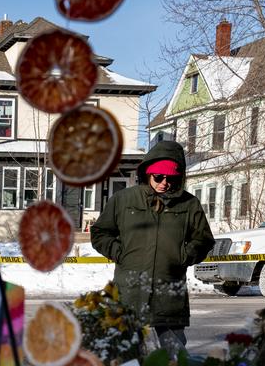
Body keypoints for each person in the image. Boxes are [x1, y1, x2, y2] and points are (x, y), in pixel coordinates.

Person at [90, 140, 214, 351]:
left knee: (174, 356)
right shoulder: (123, 200)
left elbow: (203, 240)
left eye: (171, 178)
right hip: (130, 291)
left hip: (169, 293)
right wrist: (120, 253)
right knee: (125, 355)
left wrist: (183, 256)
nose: (164, 183)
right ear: (148, 173)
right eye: (159, 177)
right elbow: (100, 232)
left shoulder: (189, 204)